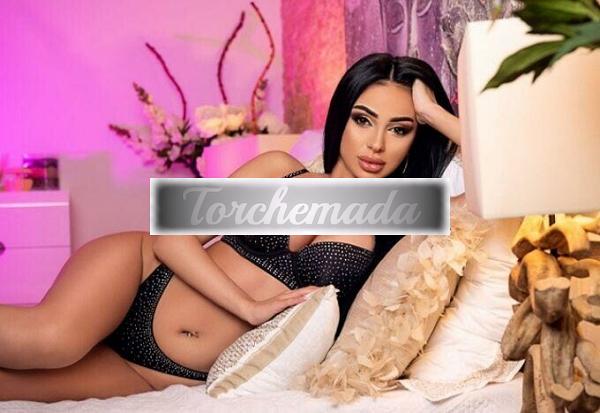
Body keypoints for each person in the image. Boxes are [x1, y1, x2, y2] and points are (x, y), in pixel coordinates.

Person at [0, 53, 460, 402]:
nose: (376, 144)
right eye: (363, 120)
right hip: (140, 275)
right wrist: (249, 307)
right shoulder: (282, 170)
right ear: (342, 119)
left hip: (159, 373)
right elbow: (169, 237)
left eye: (400, 129)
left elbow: (490, 189)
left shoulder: (401, 215)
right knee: (49, 341)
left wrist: (435, 115)